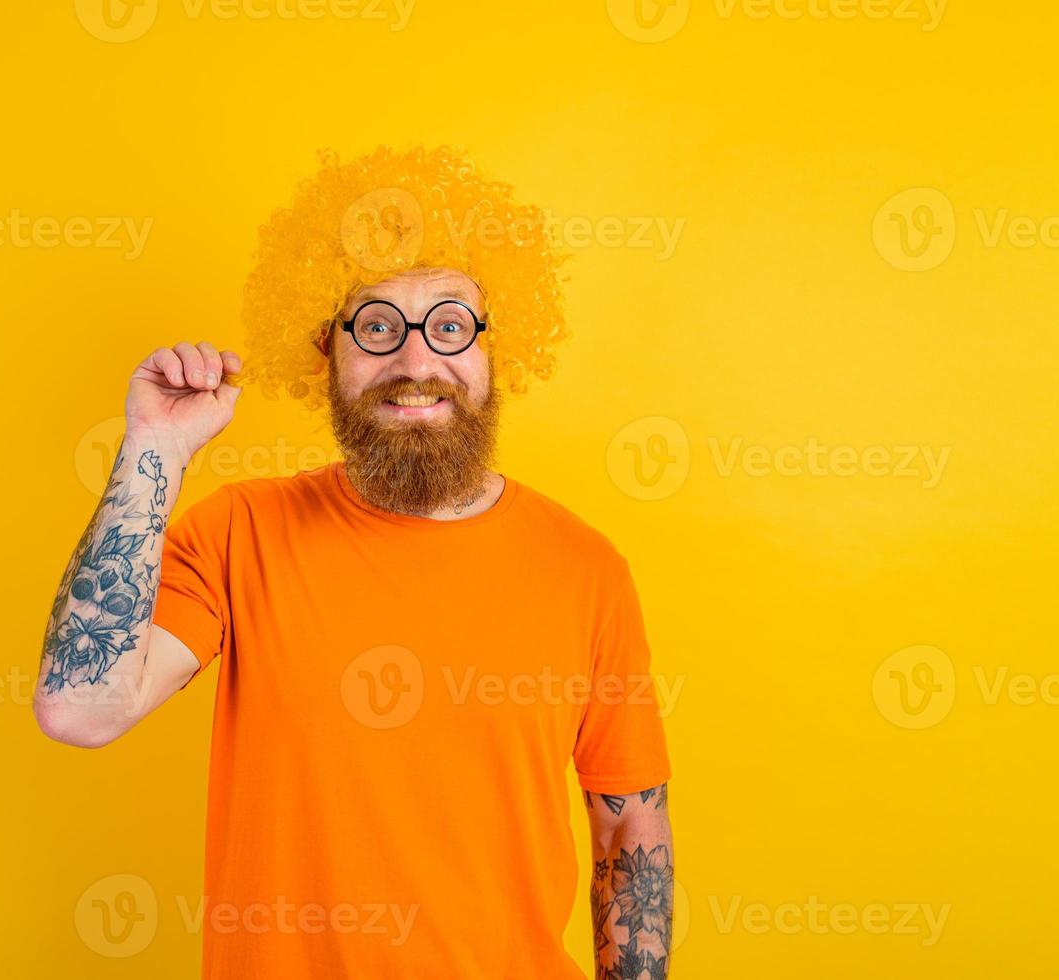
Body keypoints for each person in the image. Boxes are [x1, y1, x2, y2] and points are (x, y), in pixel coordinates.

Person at [33, 146, 674, 979]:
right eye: (375, 327)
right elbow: (80, 710)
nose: (415, 363)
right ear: (322, 353)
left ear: (494, 351)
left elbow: (629, 826)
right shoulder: (241, 533)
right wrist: (154, 450)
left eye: (450, 325)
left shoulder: (585, 568)